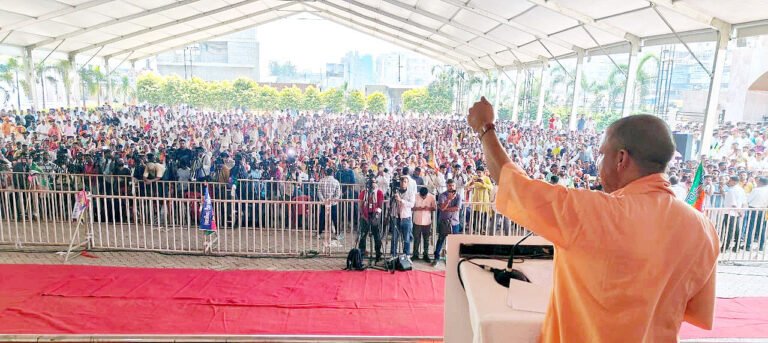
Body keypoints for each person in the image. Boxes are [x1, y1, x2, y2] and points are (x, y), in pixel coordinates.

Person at [467, 96, 718, 342]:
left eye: (601, 155)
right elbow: (699, 313)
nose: (598, 164)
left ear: (621, 158)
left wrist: (484, 128)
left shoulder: (595, 212)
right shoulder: (703, 228)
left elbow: (514, 183)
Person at [433, 179, 462, 266]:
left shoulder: (459, 196)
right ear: (447, 186)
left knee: (454, 242)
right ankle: (436, 258)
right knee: (441, 240)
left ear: (455, 186)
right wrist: (448, 200)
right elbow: (441, 208)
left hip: (454, 222)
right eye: (449, 185)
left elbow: (457, 208)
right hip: (444, 221)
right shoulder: (442, 195)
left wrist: (445, 208)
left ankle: (453, 259)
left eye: (453, 185)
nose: (451, 187)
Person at [358, 177, 384, 261]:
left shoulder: (379, 192)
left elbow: (380, 206)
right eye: (370, 182)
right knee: (363, 236)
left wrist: (376, 216)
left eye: (373, 182)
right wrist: (363, 215)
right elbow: (360, 205)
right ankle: (361, 253)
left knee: (377, 236)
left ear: (376, 183)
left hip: (375, 216)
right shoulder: (363, 192)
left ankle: (378, 254)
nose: (372, 184)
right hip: (365, 216)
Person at [390, 174, 415, 258]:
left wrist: (401, 201)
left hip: (406, 218)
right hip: (395, 217)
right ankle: (393, 255)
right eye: (401, 181)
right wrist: (393, 198)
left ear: (407, 183)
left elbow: (412, 204)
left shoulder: (411, 193)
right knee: (394, 238)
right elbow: (390, 204)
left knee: (406, 238)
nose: (403, 183)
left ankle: (406, 255)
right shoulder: (394, 192)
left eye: (405, 182)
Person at [722, 175, 747, 252]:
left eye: (730, 180)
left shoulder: (731, 190)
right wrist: (741, 212)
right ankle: (737, 247)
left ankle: (725, 247)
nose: (728, 181)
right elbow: (744, 202)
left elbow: (733, 204)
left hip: (730, 212)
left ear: (734, 181)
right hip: (736, 212)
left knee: (729, 231)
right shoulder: (741, 189)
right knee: (736, 230)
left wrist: (740, 212)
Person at [412, 186, 436, 262]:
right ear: (419, 193)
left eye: (424, 196)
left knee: (426, 239)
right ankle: (415, 254)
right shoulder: (415, 196)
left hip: (427, 221)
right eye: (422, 196)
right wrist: (419, 208)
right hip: (417, 220)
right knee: (416, 239)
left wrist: (428, 208)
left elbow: (434, 208)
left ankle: (426, 254)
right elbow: (411, 207)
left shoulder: (431, 197)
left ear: (427, 193)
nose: (423, 197)